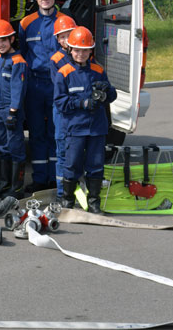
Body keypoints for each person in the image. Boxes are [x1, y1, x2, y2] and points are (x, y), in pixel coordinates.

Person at [54, 27, 116, 213]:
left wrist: (106, 91)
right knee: (72, 164)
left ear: (91, 51)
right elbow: (60, 102)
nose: (81, 54)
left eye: (85, 50)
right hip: (75, 128)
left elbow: (112, 96)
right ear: (70, 50)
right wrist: (82, 103)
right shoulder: (64, 73)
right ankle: (67, 201)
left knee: (95, 165)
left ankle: (94, 203)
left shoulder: (98, 70)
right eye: (77, 50)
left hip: (97, 128)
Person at [18, 0, 70, 193]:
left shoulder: (66, 21)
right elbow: (22, 52)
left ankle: (57, 179)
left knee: (56, 132)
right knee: (37, 133)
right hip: (35, 85)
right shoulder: (26, 23)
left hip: (58, 84)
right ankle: (40, 179)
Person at [0, 20, 29, 199]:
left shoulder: (17, 61)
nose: (0, 44)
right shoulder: (2, 59)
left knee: (15, 148)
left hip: (10, 112)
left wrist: (13, 111)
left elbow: (17, 89)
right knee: (2, 147)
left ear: (12, 38)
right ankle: (4, 184)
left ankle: (17, 188)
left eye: (3, 40)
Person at [49, 14, 77, 201]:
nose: (66, 39)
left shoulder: (83, 53)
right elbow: (60, 89)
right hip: (63, 111)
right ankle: (62, 192)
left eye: (69, 34)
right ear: (57, 40)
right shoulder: (56, 59)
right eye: (62, 36)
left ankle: (77, 189)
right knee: (62, 151)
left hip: (81, 114)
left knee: (78, 151)